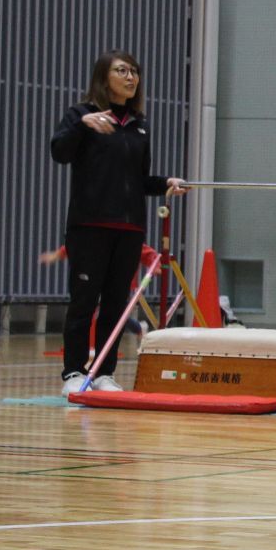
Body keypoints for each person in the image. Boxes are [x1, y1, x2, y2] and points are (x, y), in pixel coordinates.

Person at [49, 53, 186, 395]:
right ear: (103, 76)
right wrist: (82, 126)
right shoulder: (81, 114)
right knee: (84, 300)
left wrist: (165, 183)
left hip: (129, 230)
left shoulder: (140, 124)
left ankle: (104, 372)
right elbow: (59, 152)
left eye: (135, 72)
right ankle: (73, 373)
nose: (131, 77)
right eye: (122, 71)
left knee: (115, 303)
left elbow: (139, 180)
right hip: (89, 225)